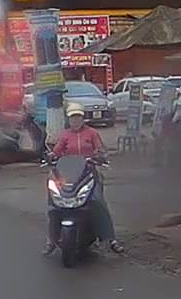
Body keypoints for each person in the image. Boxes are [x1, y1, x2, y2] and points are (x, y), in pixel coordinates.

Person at [43, 103, 125, 255]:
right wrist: (51, 156)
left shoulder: (92, 133)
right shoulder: (65, 135)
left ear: (83, 118)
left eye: (78, 117)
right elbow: (57, 152)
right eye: (73, 117)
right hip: (68, 174)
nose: (76, 120)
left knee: (98, 202)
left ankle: (110, 239)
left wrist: (100, 155)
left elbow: (100, 149)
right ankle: (51, 240)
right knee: (54, 204)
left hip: (89, 173)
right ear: (69, 119)